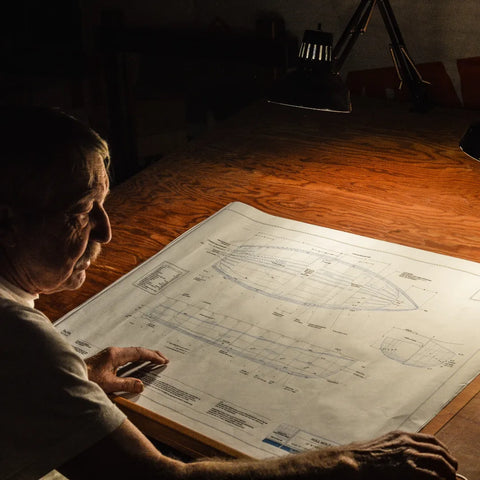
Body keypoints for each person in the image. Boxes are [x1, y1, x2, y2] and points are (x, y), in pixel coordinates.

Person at [0, 106, 458, 480]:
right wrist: (349, 462)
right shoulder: (21, 340)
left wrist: (66, 383)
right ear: (8, 223)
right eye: (81, 211)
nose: (107, 231)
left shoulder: (25, 355)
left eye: (104, 200)